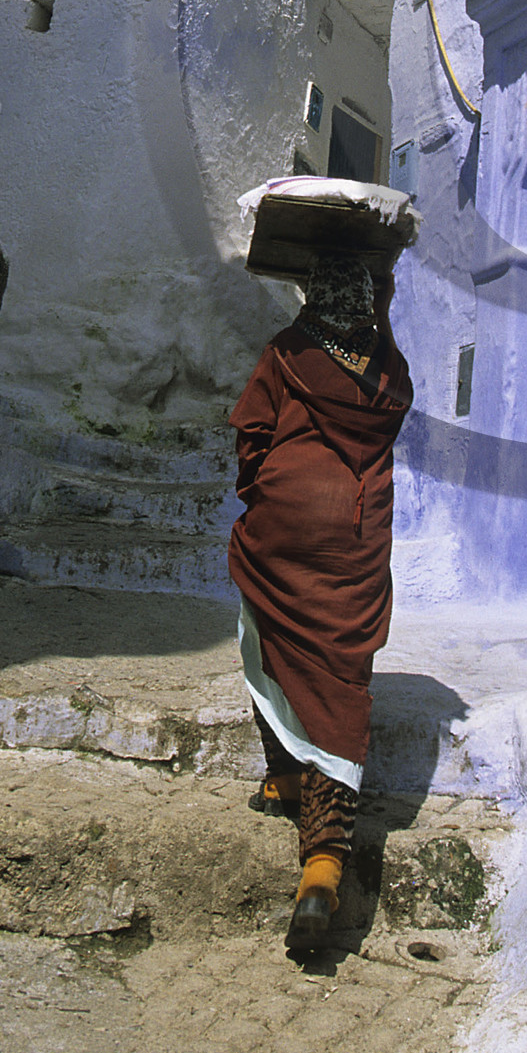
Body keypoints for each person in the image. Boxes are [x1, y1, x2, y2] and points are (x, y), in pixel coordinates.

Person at [228, 246, 413, 957]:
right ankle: (323, 864)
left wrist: (263, 489)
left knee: (264, 634)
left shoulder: (286, 352)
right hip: (356, 545)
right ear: (363, 303)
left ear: (313, 299)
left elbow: (252, 433)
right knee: (341, 678)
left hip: (285, 531)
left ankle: (283, 777)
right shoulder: (388, 371)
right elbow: (393, 414)